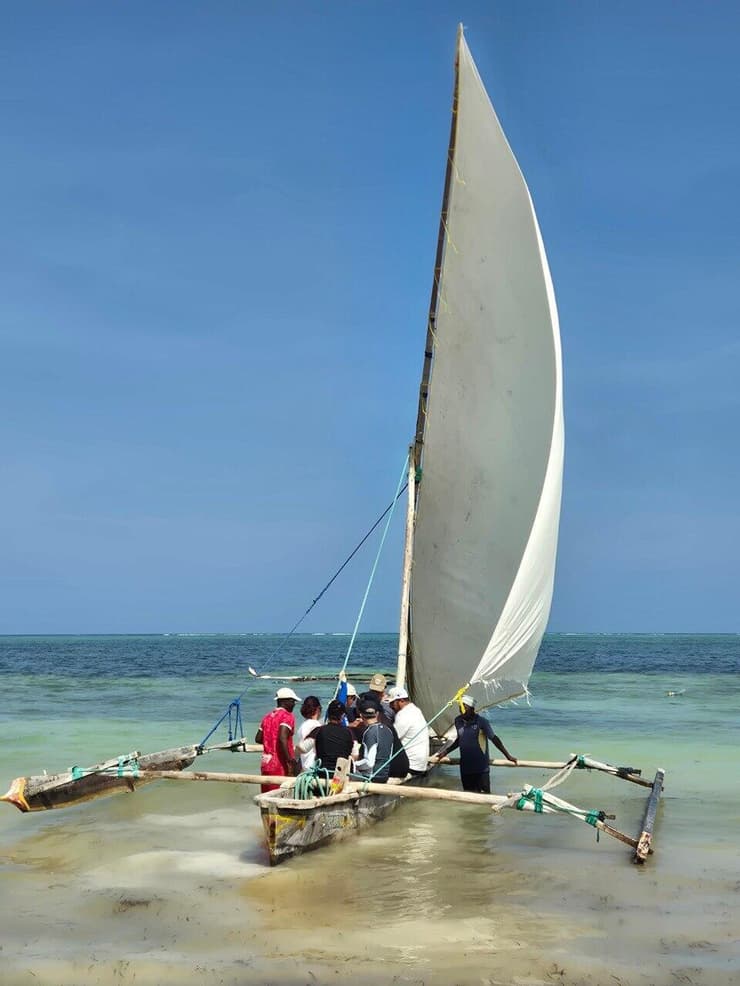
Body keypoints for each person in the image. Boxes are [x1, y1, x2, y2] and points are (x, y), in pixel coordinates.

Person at [444, 694, 517, 793]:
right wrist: (445, 752)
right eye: (460, 708)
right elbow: (460, 740)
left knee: (485, 798)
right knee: (468, 797)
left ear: (472, 709)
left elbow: (494, 739)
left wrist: (508, 756)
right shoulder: (458, 721)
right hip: (465, 768)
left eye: (464, 707)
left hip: (481, 769)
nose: (462, 710)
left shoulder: (482, 722)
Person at [255, 687, 301, 793]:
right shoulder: (287, 716)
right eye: (293, 701)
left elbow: (258, 738)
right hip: (279, 764)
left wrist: (270, 739)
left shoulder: (267, 717)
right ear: (285, 701)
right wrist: (290, 761)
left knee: (266, 795)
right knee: (280, 795)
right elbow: (282, 738)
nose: (294, 704)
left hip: (266, 763)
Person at [387, 686, 430, 776]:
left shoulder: (403, 715)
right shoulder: (415, 710)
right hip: (420, 765)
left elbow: (390, 739)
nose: (390, 706)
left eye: (392, 703)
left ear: (401, 700)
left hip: (411, 766)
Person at [352, 705, 396, 783]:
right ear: (377, 714)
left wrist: (353, 764)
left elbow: (369, 763)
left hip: (372, 777)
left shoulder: (369, 732)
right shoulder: (388, 730)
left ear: (361, 716)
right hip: (385, 775)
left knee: (345, 774)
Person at [310, 699, 354, 774]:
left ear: (328, 714)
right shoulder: (348, 732)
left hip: (323, 773)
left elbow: (307, 748)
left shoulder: (320, 730)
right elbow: (350, 752)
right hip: (340, 775)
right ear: (343, 716)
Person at [295, 695, 322, 770]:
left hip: (304, 765)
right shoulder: (316, 725)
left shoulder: (302, 725)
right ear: (317, 709)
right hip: (313, 766)